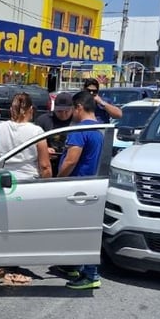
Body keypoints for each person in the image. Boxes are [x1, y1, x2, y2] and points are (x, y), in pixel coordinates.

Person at [57, 90, 104, 290]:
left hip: (77, 187)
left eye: (72, 109)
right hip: (91, 185)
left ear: (79, 107)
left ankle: (90, 274)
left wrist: (57, 180)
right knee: (83, 230)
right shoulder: (100, 129)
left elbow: (71, 160)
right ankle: (76, 266)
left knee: (82, 232)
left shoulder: (79, 130)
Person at [0, 92, 52, 180]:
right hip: (29, 182)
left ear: (11, 110)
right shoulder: (37, 131)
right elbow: (45, 166)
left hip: (4, 182)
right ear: (31, 109)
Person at [36, 92, 74, 169]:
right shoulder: (43, 120)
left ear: (72, 109)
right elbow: (32, 143)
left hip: (69, 165)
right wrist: (44, 150)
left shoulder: (77, 122)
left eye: (66, 111)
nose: (63, 114)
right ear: (54, 108)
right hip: (48, 164)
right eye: (59, 111)